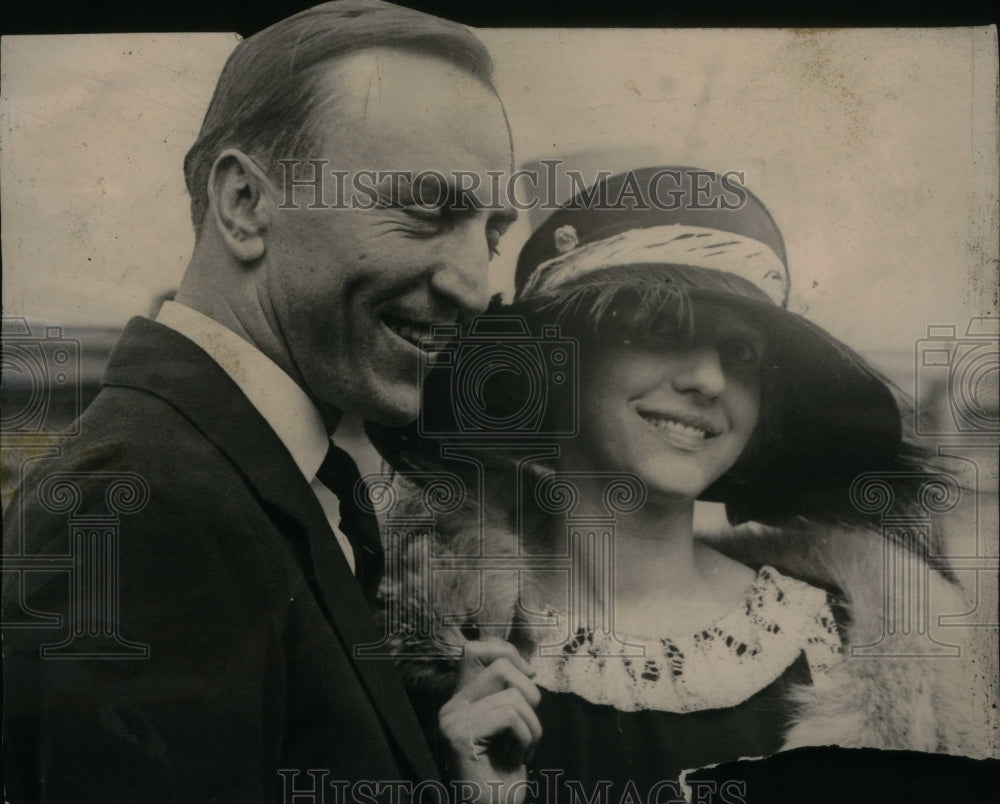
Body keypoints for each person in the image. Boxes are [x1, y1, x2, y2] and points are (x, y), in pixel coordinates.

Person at [2, 3, 538, 802]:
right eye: (429, 210)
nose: (475, 285)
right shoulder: (149, 505)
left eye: (489, 235)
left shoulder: (238, 474)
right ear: (246, 204)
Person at [374, 167, 994, 802]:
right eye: (662, 328)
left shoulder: (852, 645)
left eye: (742, 355)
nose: (710, 380)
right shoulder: (425, 656)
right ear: (556, 363)